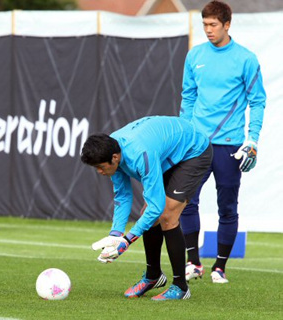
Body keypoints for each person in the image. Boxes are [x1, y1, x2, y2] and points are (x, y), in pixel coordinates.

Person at [179, 0, 266, 284]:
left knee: (227, 208)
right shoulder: (195, 56)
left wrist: (252, 139)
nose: (208, 30)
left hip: (230, 145)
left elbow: (258, 101)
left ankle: (220, 267)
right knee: (186, 203)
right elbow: (188, 97)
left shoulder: (245, 58)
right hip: (198, 145)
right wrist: (186, 136)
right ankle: (193, 262)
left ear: (227, 25)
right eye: (204, 24)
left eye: (213, 25)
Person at [81, 116, 212, 300]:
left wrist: (126, 241)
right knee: (147, 215)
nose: (100, 172)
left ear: (115, 158)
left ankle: (181, 287)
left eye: (101, 167)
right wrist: (115, 235)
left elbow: (157, 208)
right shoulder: (111, 150)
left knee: (166, 216)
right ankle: (153, 276)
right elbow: (123, 196)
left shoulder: (140, 155)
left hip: (193, 152)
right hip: (168, 154)